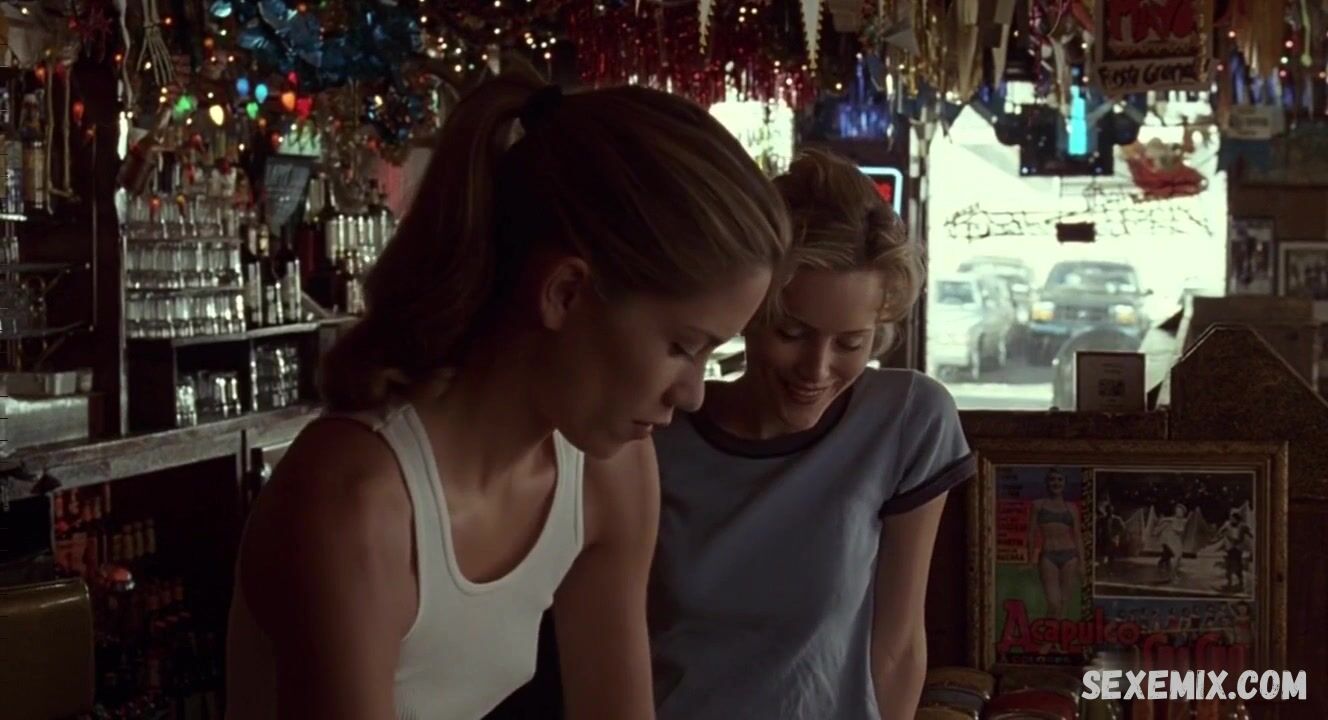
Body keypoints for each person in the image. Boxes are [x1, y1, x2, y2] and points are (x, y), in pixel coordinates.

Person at [223, 73, 791, 720]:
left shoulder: (608, 470)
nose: (692, 396)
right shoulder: (359, 501)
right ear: (565, 293)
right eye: (683, 347)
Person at [646, 149, 975, 720]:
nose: (816, 370)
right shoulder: (654, 432)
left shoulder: (907, 419)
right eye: (792, 333)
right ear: (748, 312)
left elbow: (898, 647)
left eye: (850, 342)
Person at [1028, 469, 1085, 621]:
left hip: (1070, 556)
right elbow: (1031, 534)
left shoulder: (1071, 508)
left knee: (1064, 604)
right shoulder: (1038, 505)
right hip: (1048, 556)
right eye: (1052, 479)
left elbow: (1078, 536)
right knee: (1053, 603)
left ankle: (1056, 635)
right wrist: (1030, 559)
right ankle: (1047, 632)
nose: (1056, 483)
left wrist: (1082, 563)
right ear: (1047, 482)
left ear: (1065, 483)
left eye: (1060, 479)